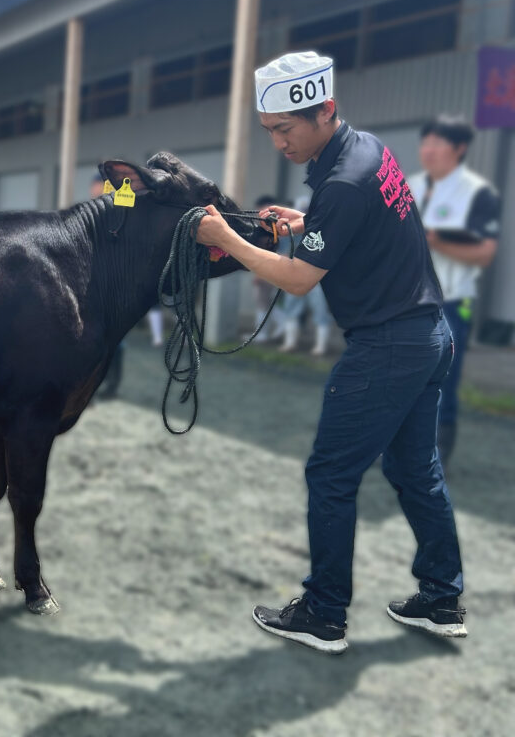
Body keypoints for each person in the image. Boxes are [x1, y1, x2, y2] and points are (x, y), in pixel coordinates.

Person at [195, 51, 465, 654]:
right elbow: (353, 222)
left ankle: (323, 614)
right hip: (428, 334)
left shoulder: (341, 181)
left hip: (387, 345)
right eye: (269, 130)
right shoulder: (364, 150)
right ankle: (442, 599)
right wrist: (302, 220)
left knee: (331, 475)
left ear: (325, 111)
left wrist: (228, 239)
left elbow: (296, 280)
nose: (278, 142)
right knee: (414, 469)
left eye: (286, 129)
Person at [409, 115, 501, 466]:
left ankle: (438, 450)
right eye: (425, 142)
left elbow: (485, 253)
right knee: (401, 377)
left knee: (443, 377)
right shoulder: (408, 186)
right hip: (407, 301)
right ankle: (399, 445)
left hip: (452, 301)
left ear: (460, 148)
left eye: (437, 143)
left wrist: (436, 241)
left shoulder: (477, 192)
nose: (427, 151)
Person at [277, 194, 333, 356]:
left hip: (318, 277)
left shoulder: (324, 227)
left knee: (320, 311)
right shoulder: (290, 229)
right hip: (294, 274)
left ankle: (320, 347)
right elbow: (283, 251)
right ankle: (290, 343)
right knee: (291, 309)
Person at [91, 173, 124, 399]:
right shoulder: (94, 214)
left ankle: (112, 384)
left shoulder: (120, 213)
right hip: (95, 284)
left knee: (116, 341)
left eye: (96, 187)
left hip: (116, 286)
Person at [248, 195, 286, 343]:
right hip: (271, 268)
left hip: (272, 268)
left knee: (262, 302)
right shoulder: (271, 224)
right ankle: (280, 326)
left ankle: (263, 334)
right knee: (265, 302)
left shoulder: (275, 225)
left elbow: (277, 252)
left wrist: (261, 274)